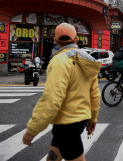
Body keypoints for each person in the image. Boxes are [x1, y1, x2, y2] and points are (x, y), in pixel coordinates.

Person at [22, 22, 102, 161]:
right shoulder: (86, 60)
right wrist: (93, 118)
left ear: (55, 40)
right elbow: (95, 93)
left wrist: (32, 129)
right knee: (53, 156)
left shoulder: (59, 61)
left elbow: (52, 98)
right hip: (79, 120)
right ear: (76, 40)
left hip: (67, 123)